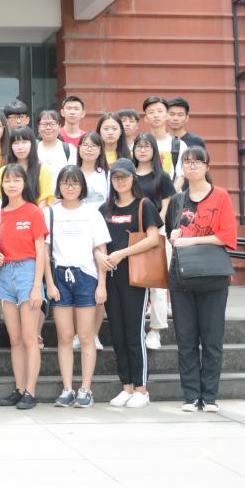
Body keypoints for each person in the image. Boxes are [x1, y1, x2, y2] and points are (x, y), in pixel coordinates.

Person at [168, 146, 237, 412]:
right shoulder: (178, 200)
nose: (192, 166)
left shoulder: (220, 196)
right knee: (186, 339)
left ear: (208, 167)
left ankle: (209, 396)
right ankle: (190, 395)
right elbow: (172, 234)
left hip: (212, 277)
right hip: (182, 277)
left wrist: (190, 240)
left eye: (198, 162)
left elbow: (226, 236)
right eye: (187, 162)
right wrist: (175, 237)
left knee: (211, 338)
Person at [101, 158, 164, 408]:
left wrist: (122, 253)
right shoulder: (105, 209)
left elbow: (153, 238)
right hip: (111, 277)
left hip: (135, 276)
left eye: (124, 177)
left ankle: (141, 389)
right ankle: (126, 386)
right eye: (115, 177)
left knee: (134, 333)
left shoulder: (143, 205)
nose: (120, 181)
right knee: (117, 333)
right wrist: (103, 257)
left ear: (132, 178)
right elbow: (98, 242)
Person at [45, 166, 110, 408]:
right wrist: (49, 282)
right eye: (65, 182)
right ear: (59, 186)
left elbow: (101, 250)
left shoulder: (92, 213)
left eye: (74, 183)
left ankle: (85, 388)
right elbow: (44, 252)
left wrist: (101, 284)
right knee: (64, 336)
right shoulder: (50, 213)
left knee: (85, 335)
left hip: (86, 276)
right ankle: (67, 388)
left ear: (82, 186)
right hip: (60, 276)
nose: (69, 187)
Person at [0, 163, 47, 410]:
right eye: (7, 180)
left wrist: (37, 286)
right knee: (14, 339)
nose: (11, 184)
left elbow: (41, 251)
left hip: (28, 272)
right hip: (5, 274)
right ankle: (18, 388)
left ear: (25, 183)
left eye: (16, 180)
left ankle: (30, 391)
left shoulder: (33, 211)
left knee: (29, 337)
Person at [131, 132, 175, 350]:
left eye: (147, 146)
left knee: (157, 284)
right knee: (134, 282)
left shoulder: (162, 176)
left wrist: (157, 226)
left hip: (157, 231)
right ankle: (135, 327)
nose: (142, 150)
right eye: (139, 146)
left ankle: (155, 330)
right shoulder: (128, 174)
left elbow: (167, 205)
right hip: (132, 233)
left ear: (154, 150)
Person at [0, 126, 55, 207]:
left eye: (24, 142)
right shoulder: (2, 172)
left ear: (32, 144)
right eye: (16, 143)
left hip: (36, 213)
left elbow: (43, 202)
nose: (20, 147)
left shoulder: (44, 170)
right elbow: (2, 200)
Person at [142, 95, 184, 182]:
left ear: (167, 115)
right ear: (146, 118)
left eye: (160, 111)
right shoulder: (138, 146)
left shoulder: (179, 145)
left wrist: (170, 191)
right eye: (151, 112)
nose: (156, 115)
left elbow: (180, 176)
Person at [35, 109, 77, 191]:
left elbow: (74, 175)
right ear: (38, 128)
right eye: (44, 124)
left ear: (59, 127)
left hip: (62, 196)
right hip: (37, 196)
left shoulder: (69, 149)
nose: (48, 127)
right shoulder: (33, 149)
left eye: (52, 124)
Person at [76, 131, 110, 209]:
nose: (89, 149)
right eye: (85, 145)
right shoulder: (72, 174)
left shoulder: (107, 175)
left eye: (94, 146)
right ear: (79, 148)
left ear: (100, 150)